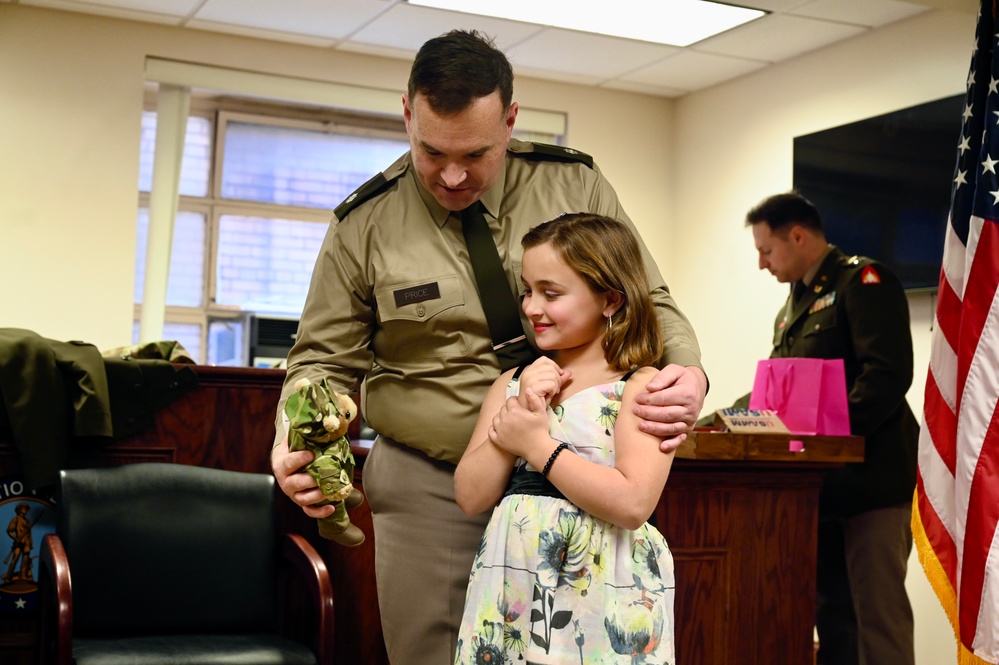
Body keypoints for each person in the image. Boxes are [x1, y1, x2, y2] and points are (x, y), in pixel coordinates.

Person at [271, 29, 707, 664]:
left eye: (475, 154)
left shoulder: (573, 185)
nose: (452, 175)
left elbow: (649, 297)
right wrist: (295, 437)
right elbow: (321, 363)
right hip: (436, 481)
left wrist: (687, 372)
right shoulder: (363, 225)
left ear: (510, 119)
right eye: (430, 152)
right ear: (406, 115)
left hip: (578, 481)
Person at [453, 213, 675, 664]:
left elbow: (634, 504)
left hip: (603, 592)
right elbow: (470, 496)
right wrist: (513, 421)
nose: (532, 307)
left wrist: (536, 445)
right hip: (512, 584)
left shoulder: (641, 387)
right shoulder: (510, 384)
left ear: (609, 299)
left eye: (550, 293)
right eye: (527, 291)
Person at [745, 191, 917, 665]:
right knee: (833, 618)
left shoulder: (863, 281)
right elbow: (777, 390)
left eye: (766, 251)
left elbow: (886, 376)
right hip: (819, 487)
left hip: (872, 481)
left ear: (797, 236)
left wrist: (826, 442)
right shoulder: (792, 307)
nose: (762, 264)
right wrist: (723, 418)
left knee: (878, 619)